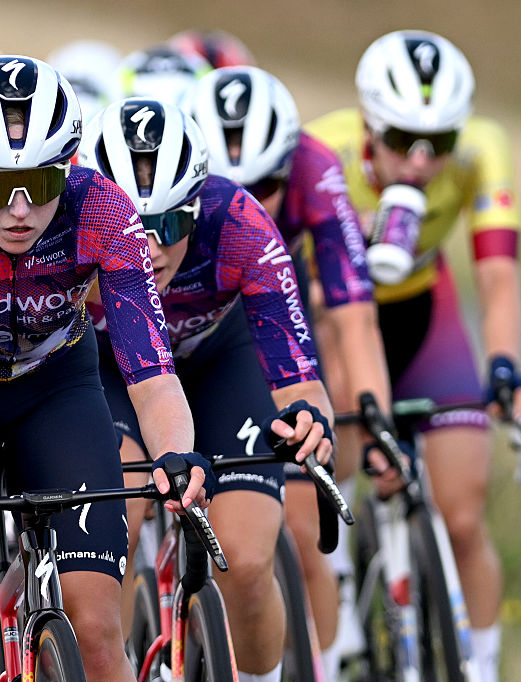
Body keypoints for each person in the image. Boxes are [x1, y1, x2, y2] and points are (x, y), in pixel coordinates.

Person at [0, 55, 217, 682]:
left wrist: (174, 454)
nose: (20, 210)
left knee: (100, 630)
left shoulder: (104, 211)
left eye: (43, 184)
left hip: (58, 389)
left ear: (68, 170)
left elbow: (153, 376)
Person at [306, 30, 521, 682]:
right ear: (366, 126)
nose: (418, 160)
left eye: (437, 143)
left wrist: (503, 365)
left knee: (463, 515)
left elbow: (498, 279)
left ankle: (483, 667)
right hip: (338, 312)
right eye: (400, 137)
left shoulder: (480, 152)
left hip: (423, 314)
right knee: (346, 388)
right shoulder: (320, 152)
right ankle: (340, 569)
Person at [80, 96, 335, 682]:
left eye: (171, 224)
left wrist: (311, 420)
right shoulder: (63, 224)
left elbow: (299, 375)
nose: (152, 246)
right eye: (131, 223)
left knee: (246, 564)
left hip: (221, 365)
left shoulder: (240, 220)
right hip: (112, 373)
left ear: (199, 205)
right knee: (119, 530)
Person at [183, 64, 395, 675]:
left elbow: (355, 315)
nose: (244, 201)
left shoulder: (317, 169)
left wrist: (372, 419)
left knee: (299, 530)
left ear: (290, 165)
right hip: (173, 321)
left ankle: (325, 646)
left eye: (266, 183)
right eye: (227, 182)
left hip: (268, 302)